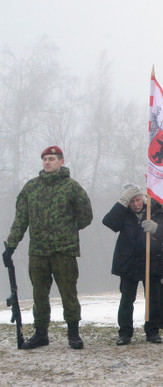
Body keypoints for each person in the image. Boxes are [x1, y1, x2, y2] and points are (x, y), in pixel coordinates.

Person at [3, 146, 92, 350]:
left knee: (68, 293)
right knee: (39, 295)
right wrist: (11, 245)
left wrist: (68, 230)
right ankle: (41, 334)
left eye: (51, 159)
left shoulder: (72, 187)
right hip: (38, 252)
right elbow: (21, 219)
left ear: (61, 161)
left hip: (64, 251)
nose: (47, 162)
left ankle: (73, 334)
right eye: (44, 159)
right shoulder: (31, 188)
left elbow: (86, 215)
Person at [103, 184, 163, 345]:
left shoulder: (154, 210)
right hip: (129, 263)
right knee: (127, 299)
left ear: (143, 198)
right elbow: (109, 222)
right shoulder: (123, 213)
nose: (136, 204)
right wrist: (122, 202)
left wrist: (155, 228)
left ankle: (152, 332)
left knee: (153, 300)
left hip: (152, 261)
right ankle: (125, 333)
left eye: (138, 200)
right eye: (132, 201)